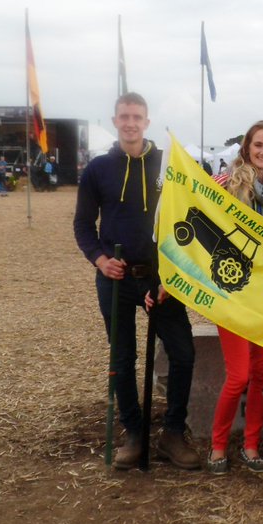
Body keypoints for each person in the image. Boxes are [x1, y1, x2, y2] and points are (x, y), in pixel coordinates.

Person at [74, 92, 200, 471]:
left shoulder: (169, 165)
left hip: (162, 279)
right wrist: (99, 259)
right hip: (115, 278)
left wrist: (171, 277)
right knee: (122, 358)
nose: (130, 123)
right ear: (115, 121)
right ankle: (133, 431)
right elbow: (83, 224)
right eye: (124, 116)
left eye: (137, 117)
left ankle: (173, 433)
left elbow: (190, 219)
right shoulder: (97, 169)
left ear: (147, 122)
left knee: (183, 353)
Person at [205, 121, 263, 475]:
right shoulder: (228, 185)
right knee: (238, 376)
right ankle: (217, 446)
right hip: (233, 295)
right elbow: (200, 210)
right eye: (258, 145)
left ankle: (251, 445)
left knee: (261, 376)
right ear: (246, 148)